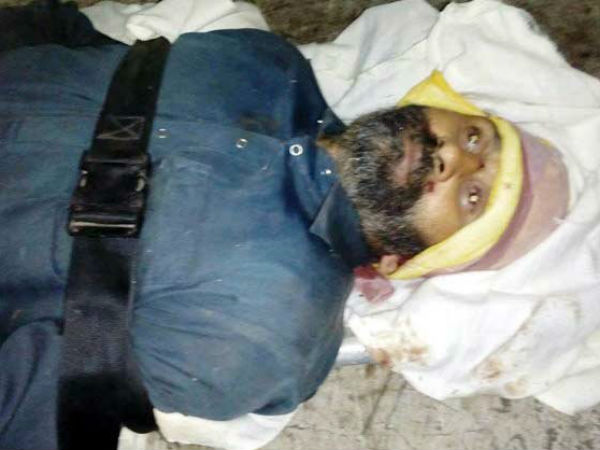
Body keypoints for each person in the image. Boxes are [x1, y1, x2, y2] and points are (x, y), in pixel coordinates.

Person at [0, 2, 570, 450]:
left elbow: (43, 396)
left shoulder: (266, 335)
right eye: (475, 137)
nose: (457, 159)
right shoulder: (265, 63)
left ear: (403, 261)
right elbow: (67, 40)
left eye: (473, 197)